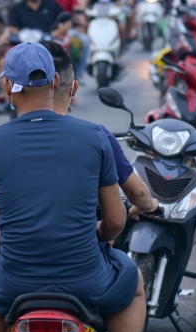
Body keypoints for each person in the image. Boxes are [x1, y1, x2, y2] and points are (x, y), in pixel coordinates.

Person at [0, 43, 149, 332]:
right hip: (86, 277)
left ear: (8, 89)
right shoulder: (94, 137)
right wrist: (90, 235)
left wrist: (3, 249)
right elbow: (114, 221)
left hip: (15, 280)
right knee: (135, 286)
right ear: (58, 82)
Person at [43, 40, 160, 218]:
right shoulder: (98, 136)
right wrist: (150, 205)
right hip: (83, 245)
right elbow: (134, 199)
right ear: (74, 89)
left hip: (13, 247)